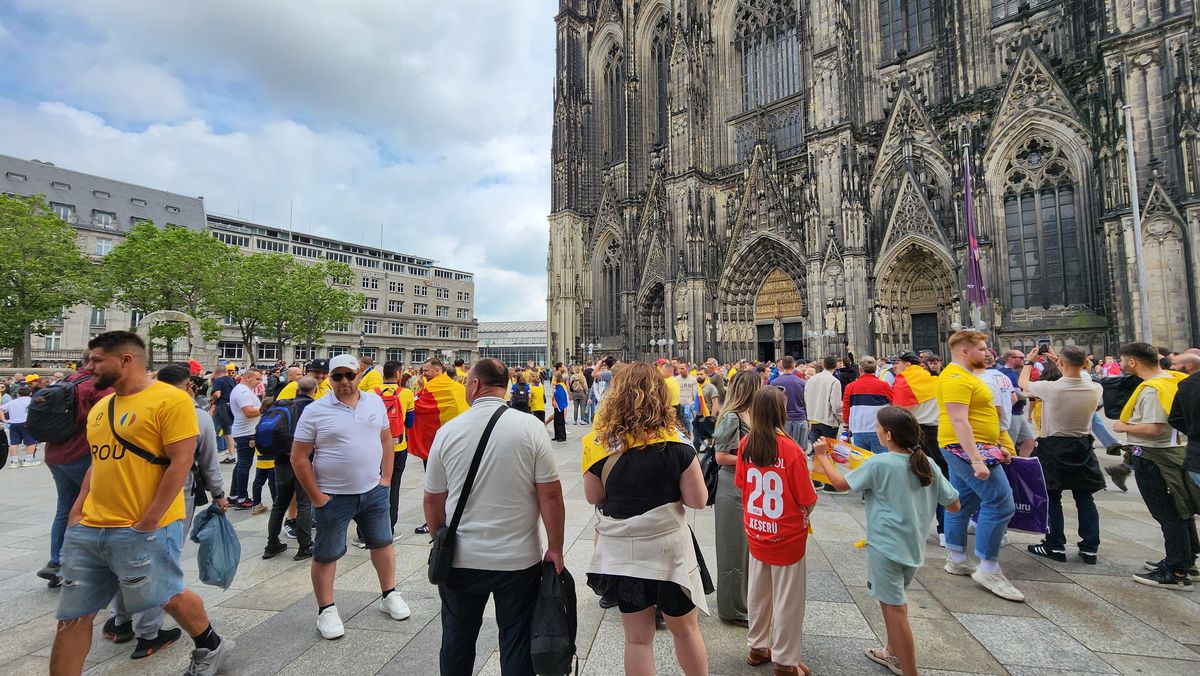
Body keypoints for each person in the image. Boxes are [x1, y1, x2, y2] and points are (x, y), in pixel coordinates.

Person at [50, 331, 234, 675]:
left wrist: (150, 519)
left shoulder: (171, 400)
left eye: (96, 360)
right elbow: (97, 462)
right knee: (72, 616)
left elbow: (181, 461)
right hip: (90, 527)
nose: (88, 367)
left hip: (143, 526)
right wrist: (77, 511)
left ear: (126, 360)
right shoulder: (102, 407)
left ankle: (211, 644)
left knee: (167, 595)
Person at [423, 358, 565, 675]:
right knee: (516, 642)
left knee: (457, 640)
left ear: (475, 384)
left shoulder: (448, 432)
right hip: (518, 560)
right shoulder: (530, 427)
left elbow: (432, 499)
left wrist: (439, 539)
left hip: (461, 558)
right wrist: (555, 548)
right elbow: (551, 495)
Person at [813, 406, 960, 676]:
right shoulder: (926, 463)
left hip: (885, 546)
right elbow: (953, 504)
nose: (876, 431)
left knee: (896, 610)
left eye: (878, 427)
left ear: (889, 434)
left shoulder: (880, 463)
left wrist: (822, 457)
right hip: (912, 547)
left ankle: (910, 670)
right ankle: (892, 651)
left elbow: (841, 484)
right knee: (890, 601)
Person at [584, 362, 709, 676]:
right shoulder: (678, 444)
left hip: (625, 554)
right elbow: (698, 500)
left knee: (637, 639)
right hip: (669, 553)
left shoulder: (598, 445)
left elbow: (593, 497)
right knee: (685, 630)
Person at [290, 354, 410, 638]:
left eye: (350, 375)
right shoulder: (316, 410)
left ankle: (389, 593)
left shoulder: (374, 402)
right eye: (337, 376)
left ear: (359, 375)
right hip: (333, 495)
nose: (344, 381)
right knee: (327, 553)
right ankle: (326, 609)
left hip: (373, 491)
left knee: (383, 543)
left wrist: (386, 479)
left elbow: (386, 439)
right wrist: (317, 496)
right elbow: (299, 456)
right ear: (329, 379)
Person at [736, 387, 819, 676]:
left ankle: (757, 646)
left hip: (757, 529)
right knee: (788, 600)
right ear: (780, 413)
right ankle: (785, 661)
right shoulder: (791, 450)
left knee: (758, 593)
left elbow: (742, 484)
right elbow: (807, 497)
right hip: (786, 535)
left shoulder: (746, 443)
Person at [936, 330, 1023, 602]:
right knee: (1000, 503)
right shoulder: (955, 378)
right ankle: (989, 568)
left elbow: (982, 415)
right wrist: (977, 459)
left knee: (961, 502)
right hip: (965, 448)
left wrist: (998, 445)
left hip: (976, 446)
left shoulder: (968, 376)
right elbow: (959, 420)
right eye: (982, 348)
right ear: (965, 350)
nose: (988, 352)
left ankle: (957, 559)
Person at [1112, 342, 1199, 590]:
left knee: (1167, 511)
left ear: (1132, 362)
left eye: (1122, 360)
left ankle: (1176, 571)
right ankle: (1187, 560)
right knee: (1180, 507)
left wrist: (1123, 426)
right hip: (1174, 451)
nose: (1120, 364)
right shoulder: (1173, 379)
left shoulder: (1153, 389)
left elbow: (1154, 429)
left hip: (1156, 456)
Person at [1018, 345, 1105, 564]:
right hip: (1082, 444)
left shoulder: (1052, 388)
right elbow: (1081, 373)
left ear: (1062, 364)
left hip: (1054, 445)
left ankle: (1055, 545)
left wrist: (1029, 362)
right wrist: (1060, 359)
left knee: (1052, 496)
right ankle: (1090, 548)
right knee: (1085, 498)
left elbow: (1023, 383)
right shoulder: (1095, 387)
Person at [38, 352, 112, 587]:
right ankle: (87, 566)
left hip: (55, 454)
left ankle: (56, 561)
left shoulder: (67, 380)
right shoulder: (98, 387)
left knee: (65, 507)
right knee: (99, 506)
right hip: (81, 455)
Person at [710, 370, 760, 625]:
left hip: (748, 485)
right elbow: (721, 457)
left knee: (746, 550)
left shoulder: (749, 414)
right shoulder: (731, 416)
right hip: (731, 487)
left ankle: (745, 602)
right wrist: (756, 459)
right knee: (733, 550)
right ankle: (731, 609)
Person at [263, 376, 319, 561]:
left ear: (297, 390)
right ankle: (305, 545)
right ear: (315, 390)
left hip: (281, 461)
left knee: (280, 503)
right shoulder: (315, 408)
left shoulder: (285, 405)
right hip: (303, 461)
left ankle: (272, 544)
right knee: (304, 503)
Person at [227, 368, 264, 510]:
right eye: (257, 379)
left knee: (241, 464)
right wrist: (265, 409)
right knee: (244, 465)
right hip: (246, 433)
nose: (259, 382)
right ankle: (242, 498)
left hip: (245, 431)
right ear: (248, 377)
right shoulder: (243, 392)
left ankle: (234, 495)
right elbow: (248, 412)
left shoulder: (243, 390)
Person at [842, 356, 893, 454]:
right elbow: (893, 404)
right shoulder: (884, 386)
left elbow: (846, 408)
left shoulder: (850, 387)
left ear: (860, 369)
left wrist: (846, 426)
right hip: (879, 429)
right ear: (875, 369)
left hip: (858, 428)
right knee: (882, 459)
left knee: (860, 460)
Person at [804, 356, 843, 448]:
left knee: (817, 451)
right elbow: (836, 405)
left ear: (823, 365)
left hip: (814, 419)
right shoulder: (834, 381)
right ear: (836, 366)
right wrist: (840, 417)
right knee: (828, 451)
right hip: (828, 421)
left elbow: (806, 399)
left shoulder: (811, 379)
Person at [771, 356, 808, 450]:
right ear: (794, 365)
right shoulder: (802, 382)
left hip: (782, 419)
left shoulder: (774, 382)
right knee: (800, 449)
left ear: (782, 366)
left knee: (784, 448)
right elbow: (806, 402)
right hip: (800, 417)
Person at [1, 385, 40, 466]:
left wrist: (4, 419)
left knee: (14, 443)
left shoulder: (13, 402)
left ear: (18, 394)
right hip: (27, 422)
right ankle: (28, 460)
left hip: (13, 424)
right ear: (30, 393)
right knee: (31, 442)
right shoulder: (31, 401)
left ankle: (14, 461)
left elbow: (1, 408)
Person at [210, 364, 238, 463]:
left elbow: (217, 394)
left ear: (216, 372)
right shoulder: (231, 380)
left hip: (220, 407)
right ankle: (231, 456)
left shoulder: (219, 380)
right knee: (227, 433)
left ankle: (210, 455)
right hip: (229, 407)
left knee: (213, 430)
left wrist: (211, 400)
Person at [551, 371, 569, 442]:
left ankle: (562, 436)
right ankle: (557, 435)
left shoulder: (561, 385)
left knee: (560, 421)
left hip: (560, 405)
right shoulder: (557, 385)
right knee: (556, 421)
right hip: (556, 404)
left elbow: (560, 395)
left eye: (554, 377)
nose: (553, 379)